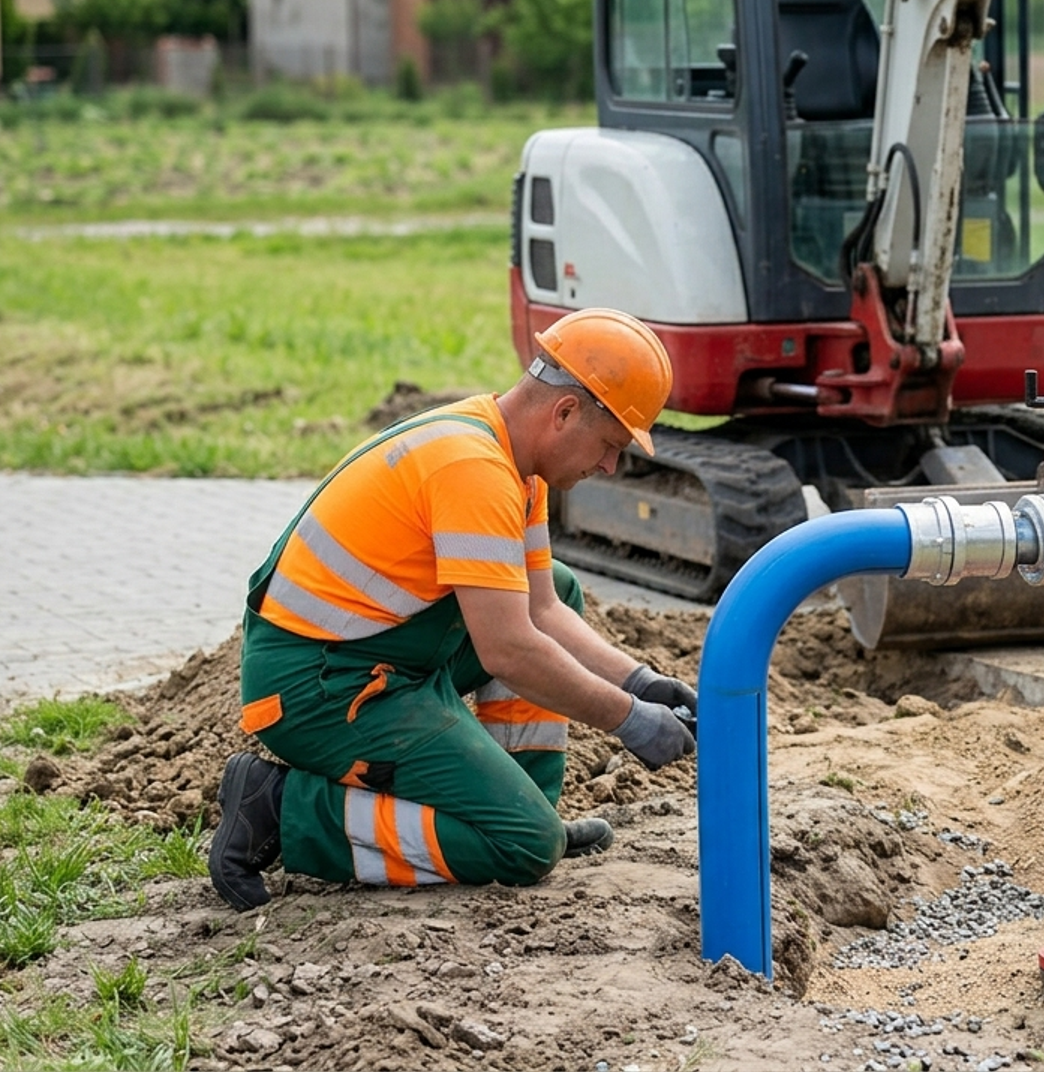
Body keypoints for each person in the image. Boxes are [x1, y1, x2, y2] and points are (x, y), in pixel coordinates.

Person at [207, 308, 699, 911]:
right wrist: (629, 719)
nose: (609, 467)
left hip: (374, 655)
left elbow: (544, 610)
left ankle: (523, 803)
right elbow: (509, 650)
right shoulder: (473, 470)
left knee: (559, 585)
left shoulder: (515, 462)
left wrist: (639, 681)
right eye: (610, 446)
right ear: (565, 412)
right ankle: (283, 807)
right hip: (315, 689)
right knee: (523, 848)